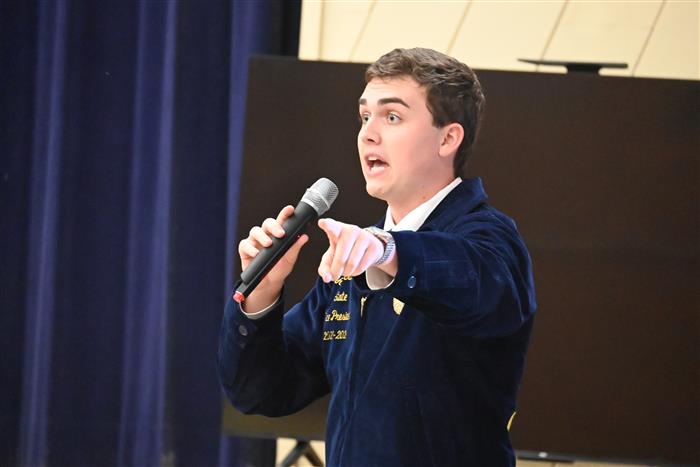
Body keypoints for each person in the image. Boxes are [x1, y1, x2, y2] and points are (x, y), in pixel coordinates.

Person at [218, 47, 536, 466]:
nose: (368, 133)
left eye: (392, 117)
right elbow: (261, 390)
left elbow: (472, 281)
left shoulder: (490, 237)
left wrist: (388, 250)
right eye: (364, 116)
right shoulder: (353, 260)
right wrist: (263, 294)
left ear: (448, 138)